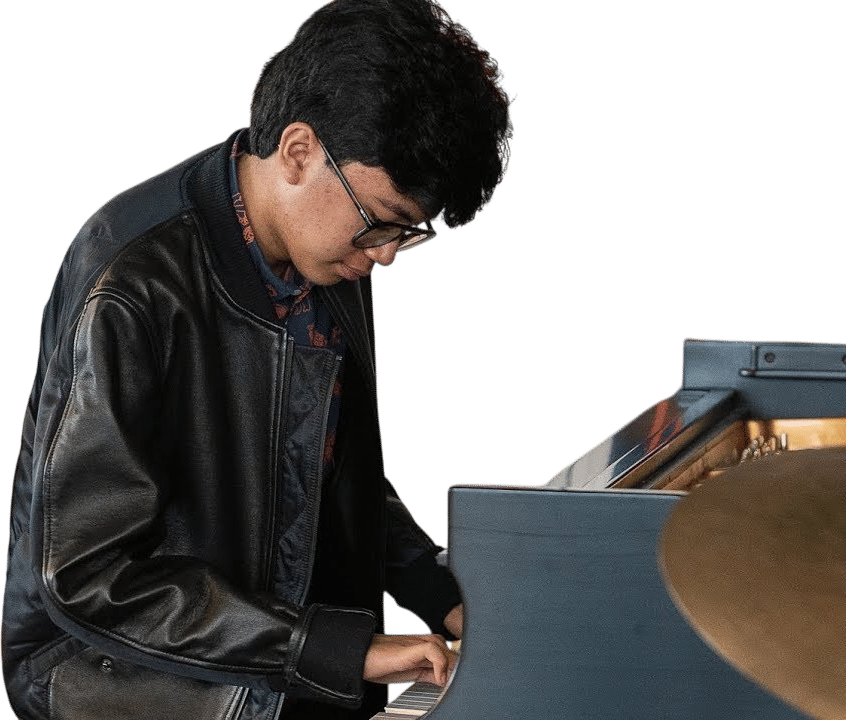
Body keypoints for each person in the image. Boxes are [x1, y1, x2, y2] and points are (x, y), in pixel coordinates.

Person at [1, 0, 515, 718]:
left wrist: (441, 592)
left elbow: (324, 464)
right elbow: (87, 576)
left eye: (409, 234)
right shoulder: (132, 282)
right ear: (299, 152)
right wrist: (333, 649)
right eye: (382, 224)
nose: (388, 256)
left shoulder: (326, 246)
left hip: (270, 636)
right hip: (112, 666)